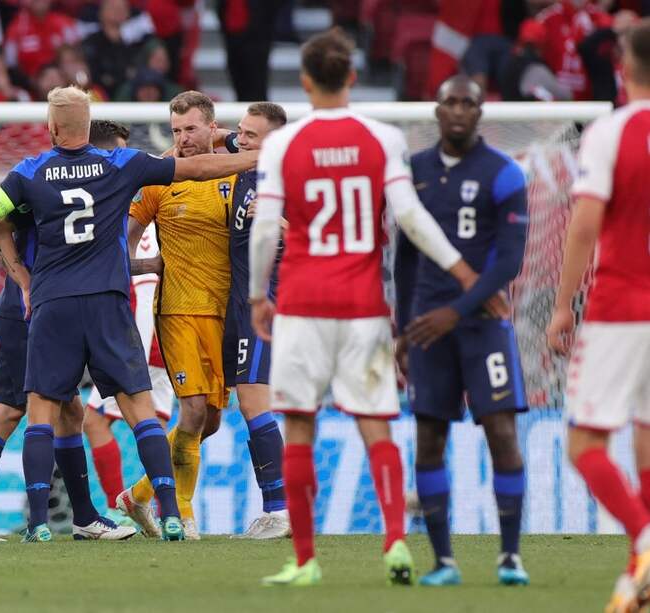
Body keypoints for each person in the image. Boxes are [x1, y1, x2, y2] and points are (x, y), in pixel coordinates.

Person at [0, 85, 259, 542]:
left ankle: (42, 524)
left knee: (45, 413)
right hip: (107, 303)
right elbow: (196, 167)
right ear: (89, 121)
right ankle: (170, 513)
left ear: (52, 127)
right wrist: (257, 158)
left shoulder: (28, 173)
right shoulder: (122, 164)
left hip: (50, 306)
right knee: (137, 411)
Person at [251, 28, 479, 587]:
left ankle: (304, 561)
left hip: (302, 304)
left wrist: (259, 293)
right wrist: (461, 269)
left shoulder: (284, 144)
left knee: (299, 427)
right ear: (351, 77)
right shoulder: (383, 137)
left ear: (306, 82)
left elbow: (263, 230)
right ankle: (397, 542)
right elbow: (410, 217)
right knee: (375, 425)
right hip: (363, 307)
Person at [394, 75, 529, 587]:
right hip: (427, 325)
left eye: (467, 103)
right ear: (436, 110)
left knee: (501, 432)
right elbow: (405, 254)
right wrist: (405, 325)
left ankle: (510, 557)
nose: (457, 111)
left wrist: (459, 310)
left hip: (483, 325)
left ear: (480, 111)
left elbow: (510, 262)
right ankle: (443, 562)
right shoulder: (415, 172)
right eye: (449, 101)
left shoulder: (504, 172)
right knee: (429, 438)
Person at [0, 185, 135, 542]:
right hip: (32, 313)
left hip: (35, 312)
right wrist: (22, 278)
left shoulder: (71, 182)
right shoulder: (39, 181)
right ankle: (74, 518)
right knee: (34, 411)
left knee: (41, 412)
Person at [547, 18, 650, 613]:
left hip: (620, 306)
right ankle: (637, 580)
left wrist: (563, 306)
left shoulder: (611, 132)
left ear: (623, 68)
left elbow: (585, 222)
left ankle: (644, 540)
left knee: (584, 443)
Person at [118, 90, 236, 540]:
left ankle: (139, 494)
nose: (183, 139)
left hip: (225, 313)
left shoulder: (235, 172)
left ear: (212, 126)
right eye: (176, 131)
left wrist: (228, 142)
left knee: (211, 421)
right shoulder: (159, 181)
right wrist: (150, 266)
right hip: (178, 310)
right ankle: (182, 514)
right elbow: (120, 248)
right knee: (189, 412)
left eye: (191, 129)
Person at [80, 119, 175, 518]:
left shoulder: (123, 206)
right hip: (154, 334)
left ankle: (124, 506)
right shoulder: (134, 201)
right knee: (155, 425)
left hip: (140, 336)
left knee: (98, 422)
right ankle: (160, 506)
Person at [220, 102, 290, 539]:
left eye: (251, 136)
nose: (241, 141)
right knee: (239, 404)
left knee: (253, 402)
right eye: (241, 133)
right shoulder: (242, 152)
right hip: (237, 306)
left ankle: (280, 511)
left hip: (262, 308)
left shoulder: (287, 182)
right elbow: (219, 137)